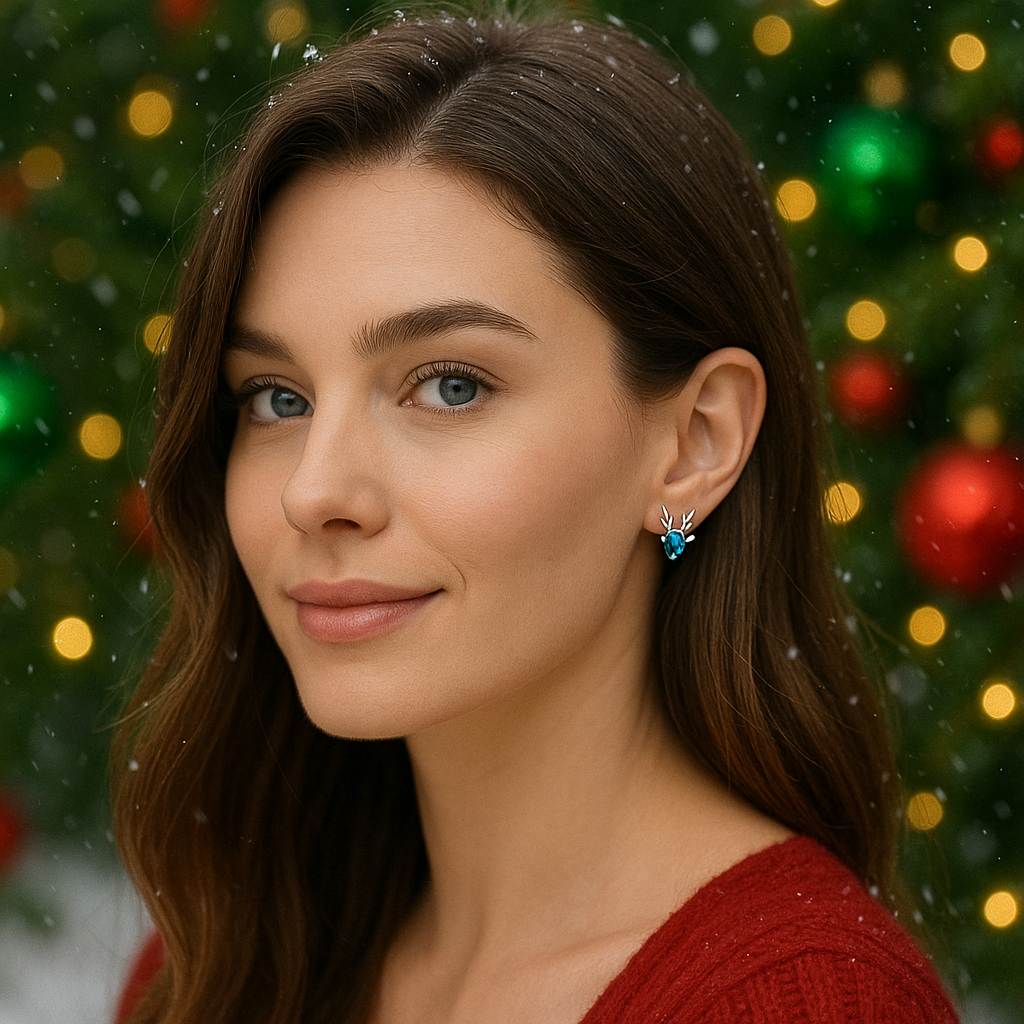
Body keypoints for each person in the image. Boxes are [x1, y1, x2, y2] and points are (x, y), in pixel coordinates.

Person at [111, 6, 961, 1023]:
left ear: (695, 443)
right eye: (276, 398)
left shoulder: (804, 1007)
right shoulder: (214, 962)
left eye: (450, 385)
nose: (314, 490)